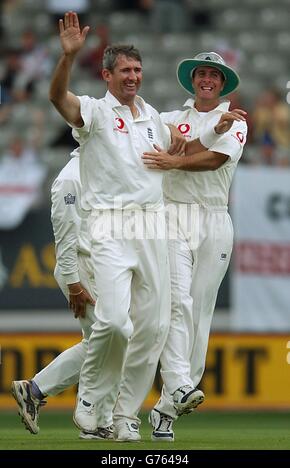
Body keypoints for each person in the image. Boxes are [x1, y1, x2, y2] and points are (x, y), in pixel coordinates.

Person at [48, 11, 176, 442]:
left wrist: (219, 123)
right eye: (125, 70)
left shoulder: (152, 117)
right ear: (106, 75)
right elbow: (57, 98)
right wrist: (67, 58)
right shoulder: (96, 112)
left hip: (153, 229)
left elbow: (180, 143)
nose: (133, 76)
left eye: (138, 70)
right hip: (110, 228)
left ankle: (123, 418)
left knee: (154, 330)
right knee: (116, 322)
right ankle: (89, 403)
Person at [142, 52, 247, 441]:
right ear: (192, 80)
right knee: (178, 303)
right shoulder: (168, 119)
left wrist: (175, 161)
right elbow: (170, 150)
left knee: (200, 315)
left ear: (222, 84)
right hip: (173, 216)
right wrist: (174, 158)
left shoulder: (235, 122)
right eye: (201, 73)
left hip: (216, 220)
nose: (206, 80)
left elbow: (216, 159)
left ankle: (167, 408)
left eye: (213, 75)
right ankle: (181, 384)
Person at [11, 149, 115, 440]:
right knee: (113, 339)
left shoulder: (102, 166)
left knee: (106, 341)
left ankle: (35, 391)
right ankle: (96, 420)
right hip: (81, 267)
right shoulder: (70, 178)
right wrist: (73, 283)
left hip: (100, 265)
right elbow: (65, 236)